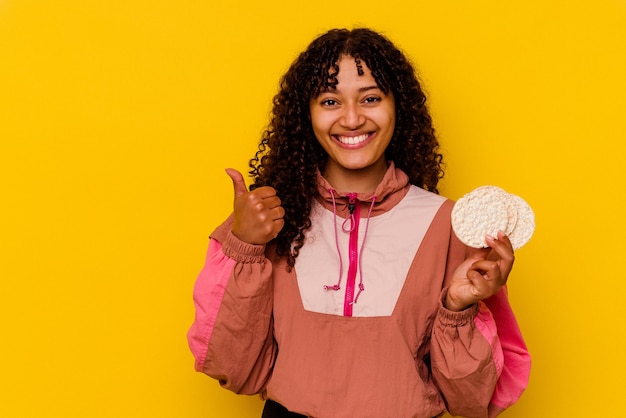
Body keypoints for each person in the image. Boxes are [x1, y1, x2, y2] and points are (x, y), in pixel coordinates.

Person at [187, 28, 530, 418]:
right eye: (330, 101)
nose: (352, 119)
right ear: (307, 114)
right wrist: (244, 247)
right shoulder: (270, 218)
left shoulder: (448, 225)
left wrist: (457, 306)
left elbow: (472, 404)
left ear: (398, 107)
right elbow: (234, 369)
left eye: (370, 98)